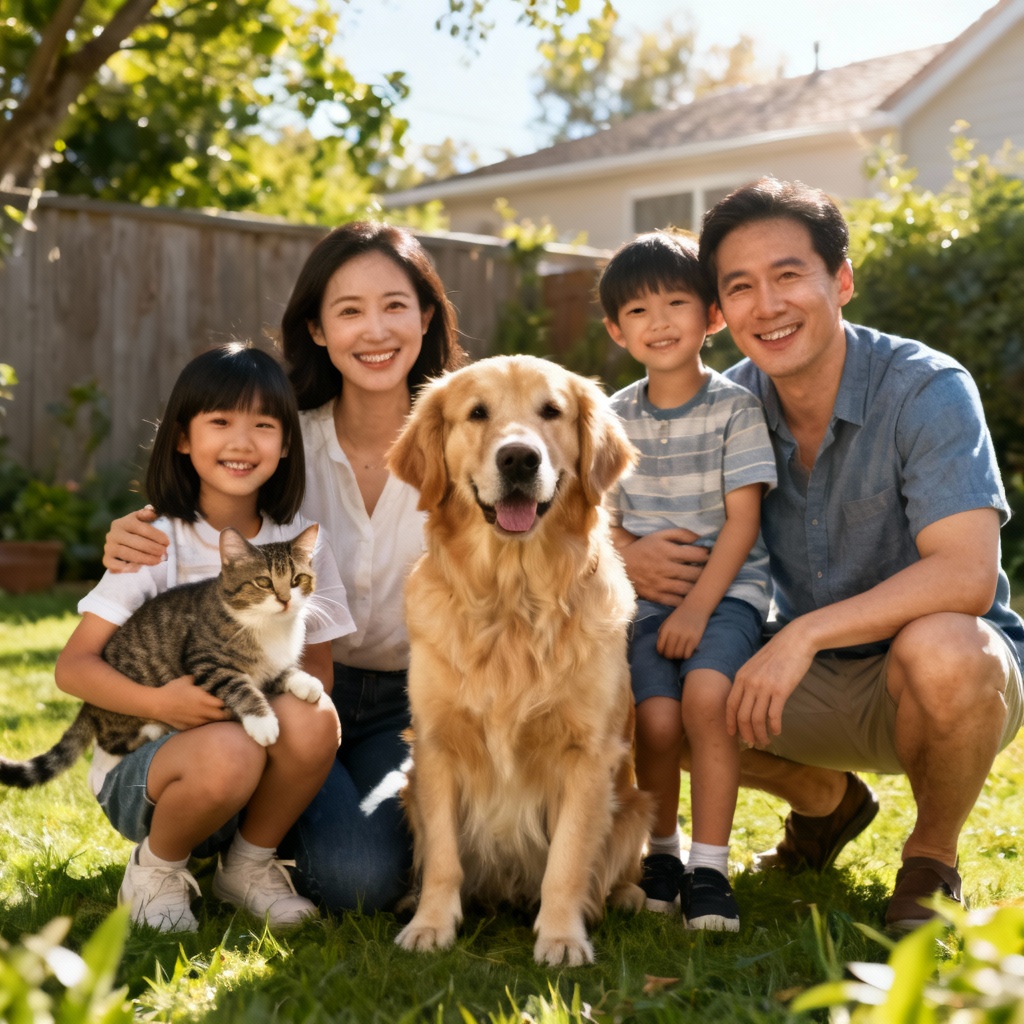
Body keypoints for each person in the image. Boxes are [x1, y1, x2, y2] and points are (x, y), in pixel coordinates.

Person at [620, 176, 1024, 931]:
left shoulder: (926, 389)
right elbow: (602, 496)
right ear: (721, 311)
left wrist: (806, 632)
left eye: (787, 276)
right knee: (643, 685)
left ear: (840, 280)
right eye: (739, 287)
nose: (766, 306)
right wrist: (626, 553)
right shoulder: (720, 405)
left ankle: (931, 858)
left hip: (920, 677)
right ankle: (826, 803)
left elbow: (967, 574)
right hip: (790, 684)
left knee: (951, 648)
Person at [102, 221, 467, 913]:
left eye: (395, 306)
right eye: (349, 310)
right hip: (286, 688)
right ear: (319, 329)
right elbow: (202, 508)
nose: (375, 330)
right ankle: (209, 814)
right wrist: (132, 529)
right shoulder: (278, 435)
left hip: (411, 700)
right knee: (345, 870)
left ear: (425, 316)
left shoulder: (468, 440)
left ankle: (251, 830)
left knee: (366, 880)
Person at [56, 343, 352, 932]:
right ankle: (155, 872)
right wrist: (162, 703)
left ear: (286, 442)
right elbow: (73, 668)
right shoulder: (154, 539)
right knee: (229, 748)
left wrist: (258, 701)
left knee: (317, 716)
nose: (241, 442)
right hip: (148, 766)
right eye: (220, 422)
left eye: (263, 425)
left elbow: (318, 673)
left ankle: (247, 865)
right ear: (183, 438)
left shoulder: (300, 547)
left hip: (247, 759)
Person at [600, 231, 777, 932]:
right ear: (616, 330)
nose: (661, 321)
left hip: (725, 597)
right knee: (655, 717)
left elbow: (742, 523)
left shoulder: (734, 408)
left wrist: (697, 611)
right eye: (639, 312)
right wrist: (630, 553)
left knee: (707, 698)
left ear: (711, 316)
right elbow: (597, 519)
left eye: (677, 302)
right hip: (643, 606)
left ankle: (711, 867)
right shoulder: (613, 416)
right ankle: (663, 853)